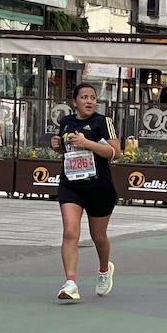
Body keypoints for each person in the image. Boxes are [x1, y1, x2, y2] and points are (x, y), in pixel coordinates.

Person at [50, 83, 120, 302]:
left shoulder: (103, 122)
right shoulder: (66, 122)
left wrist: (87, 143)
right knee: (70, 231)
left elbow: (115, 153)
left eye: (92, 97)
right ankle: (70, 282)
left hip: (99, 186)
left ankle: (103, 269)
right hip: (71, 184)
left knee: (98, 237)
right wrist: (57, 145)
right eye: (84, 97)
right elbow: (65, 148)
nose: (89, 101)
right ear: (75, 101)